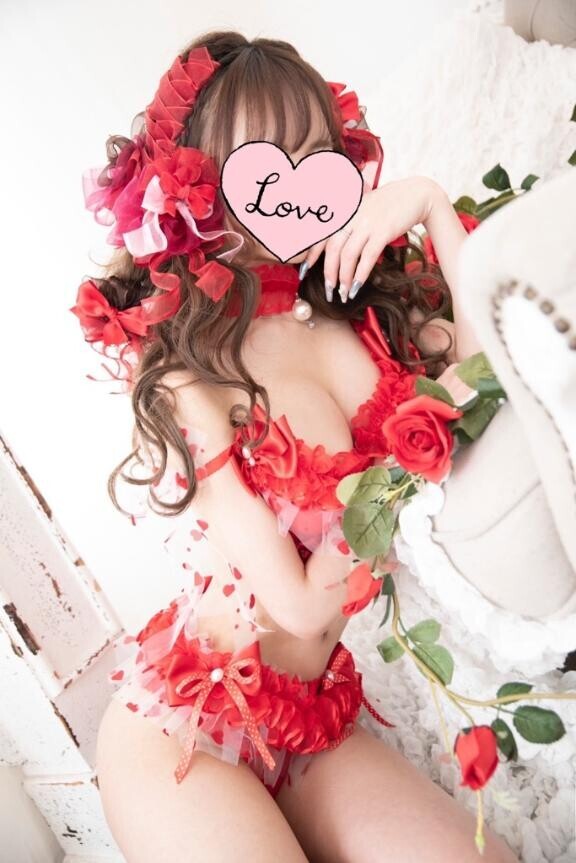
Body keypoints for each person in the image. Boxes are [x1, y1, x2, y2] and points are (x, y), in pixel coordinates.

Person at [88, 30, 519, 863]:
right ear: (200, 182)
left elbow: (488, 372)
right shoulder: (186, 369)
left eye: (311, 153)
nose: (290, 185)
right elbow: (298, 603)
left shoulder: (358, 311)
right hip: (183, 727)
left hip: (312, 715)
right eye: (261, 163)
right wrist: (406, 465)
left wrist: (429, 203)